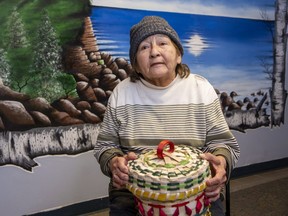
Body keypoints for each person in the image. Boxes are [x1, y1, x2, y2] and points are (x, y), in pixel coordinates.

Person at [94, 15, 240, 216]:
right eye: (144, 47)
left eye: (163, 43)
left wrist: (221, 163)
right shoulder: (122, 92)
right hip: (133, 193)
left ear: (179, 54)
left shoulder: (201, 88)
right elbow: (105, 146)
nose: (154, 52)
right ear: (136, 64)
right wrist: (113, 162)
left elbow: (224, 145)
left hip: (197, 189)